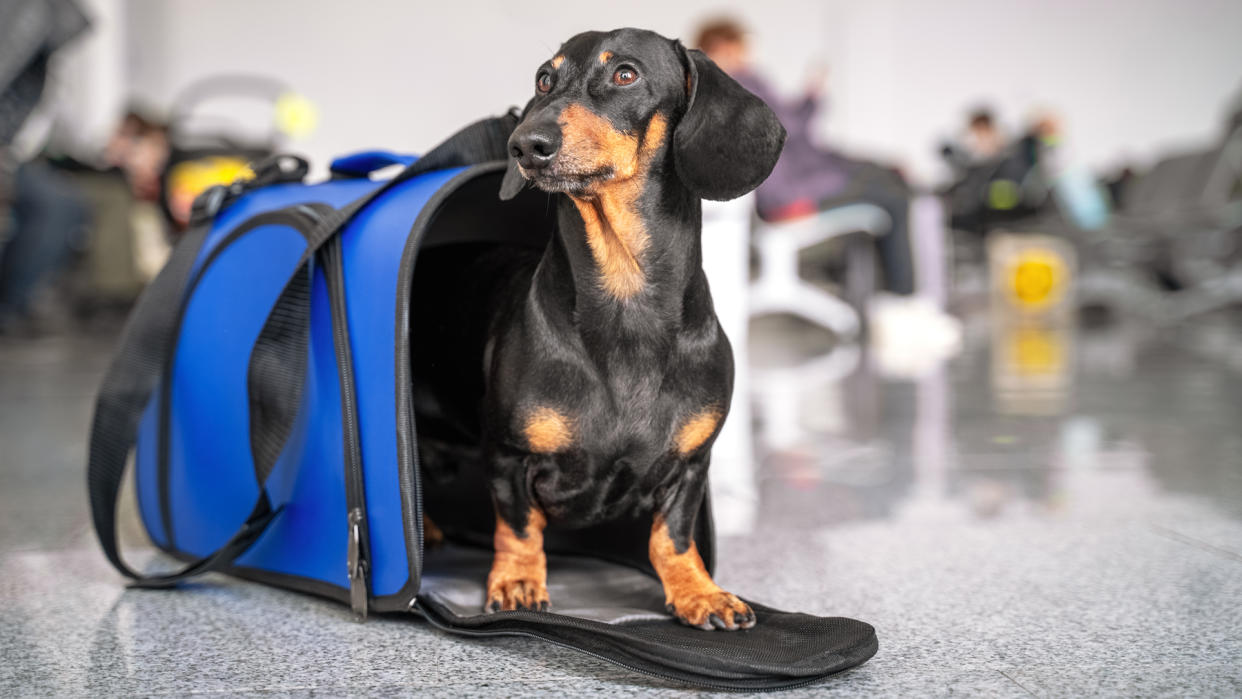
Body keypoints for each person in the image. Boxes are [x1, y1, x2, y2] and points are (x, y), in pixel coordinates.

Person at [694, 19, 916, 296]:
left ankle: (892, 299)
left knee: (887, 181)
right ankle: (903, 301)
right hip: (789, 195)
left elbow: (787, 130)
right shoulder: (741, 80)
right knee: (895, 195)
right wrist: (812, 96)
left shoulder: (711, 89)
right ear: (724, 46)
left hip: (783, 189)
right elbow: (788, 127)